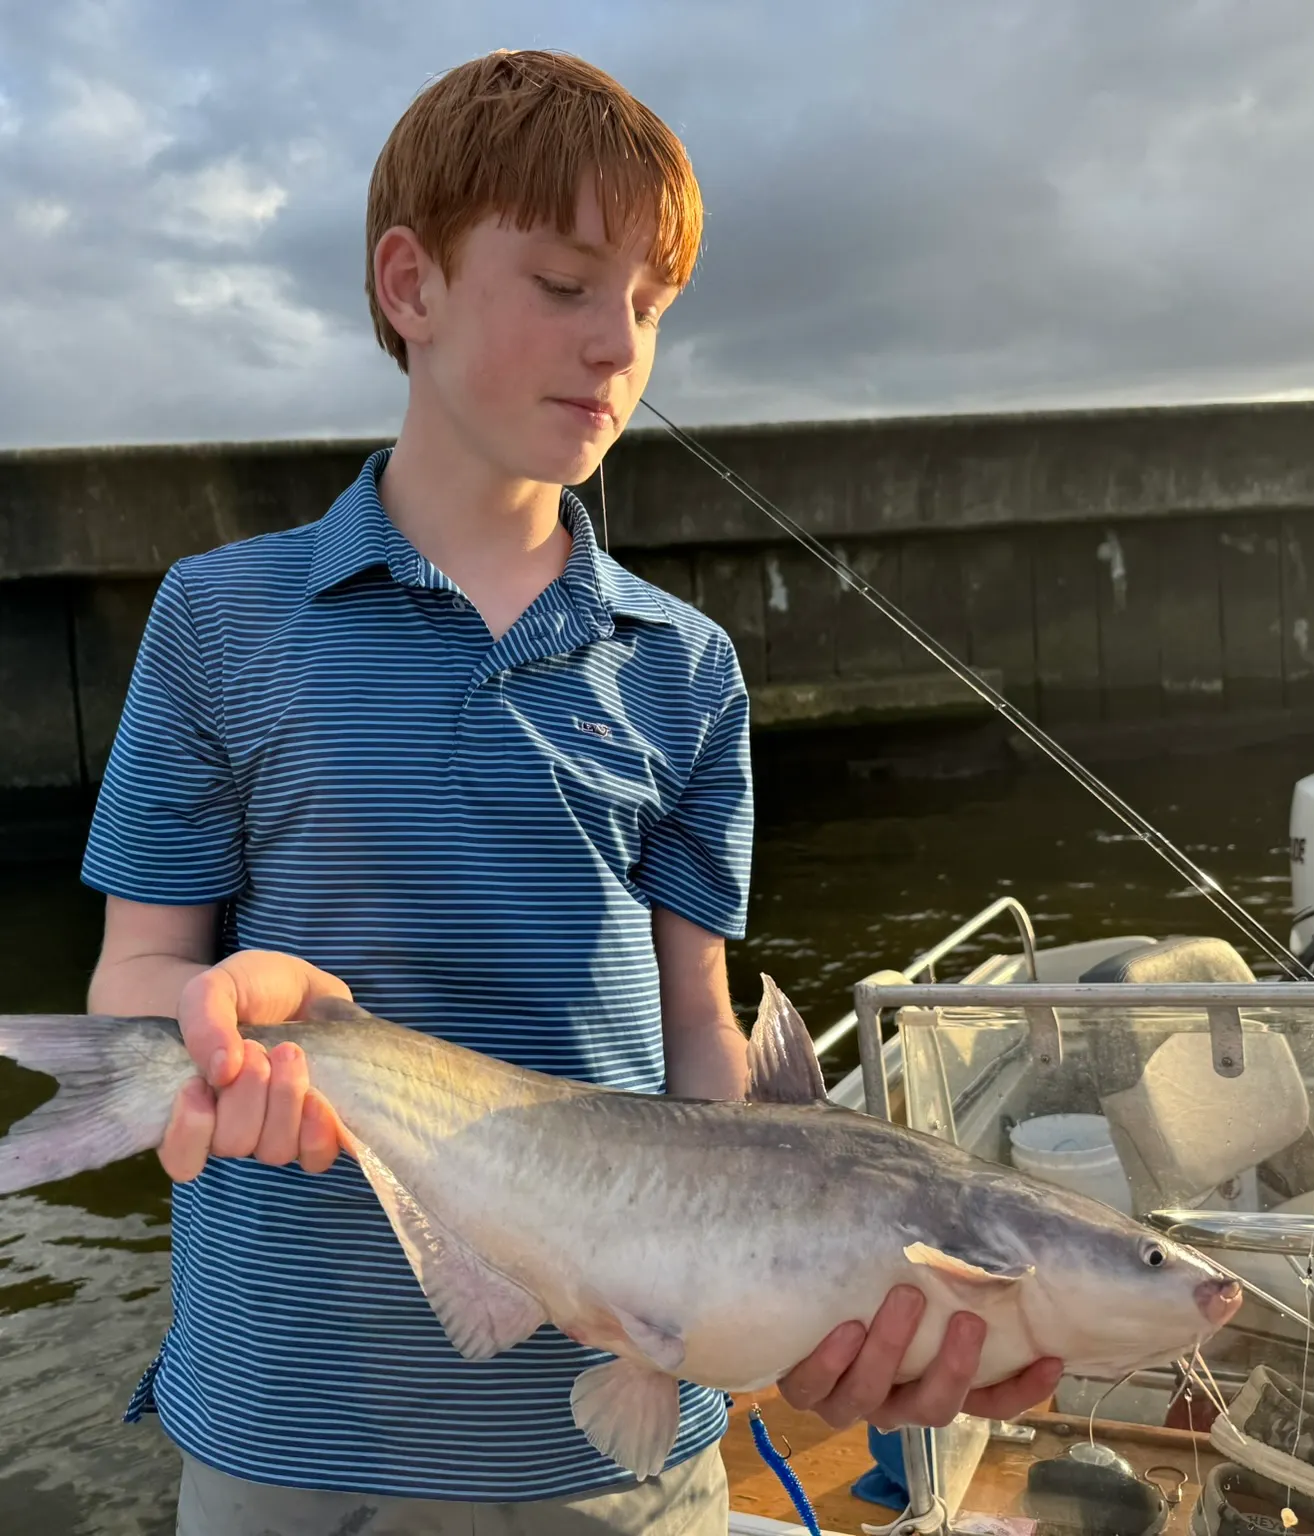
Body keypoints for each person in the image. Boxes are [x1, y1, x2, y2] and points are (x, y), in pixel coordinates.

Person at [82, 49, 1062, 1535]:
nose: (616, 346)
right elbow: (135, 982)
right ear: (408, 286)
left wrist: (818, 1302)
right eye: (562, 283)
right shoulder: (217, 619)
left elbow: (697, 1045)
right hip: (290, 1428)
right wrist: (217, 1027)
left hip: (623, 1441)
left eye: (650, 309)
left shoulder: (690, 668)